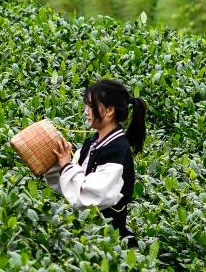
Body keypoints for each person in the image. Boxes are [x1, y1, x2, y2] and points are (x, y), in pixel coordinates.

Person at [47, 79, 147, 244]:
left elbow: (89, 196)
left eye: (91, 106)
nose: (86, 111)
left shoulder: (118, 151)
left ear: (109, 111)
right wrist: (55, 160)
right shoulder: (92, 143)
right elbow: (71, 187)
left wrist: (66, 165)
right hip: (86, 232)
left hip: (108, 239)